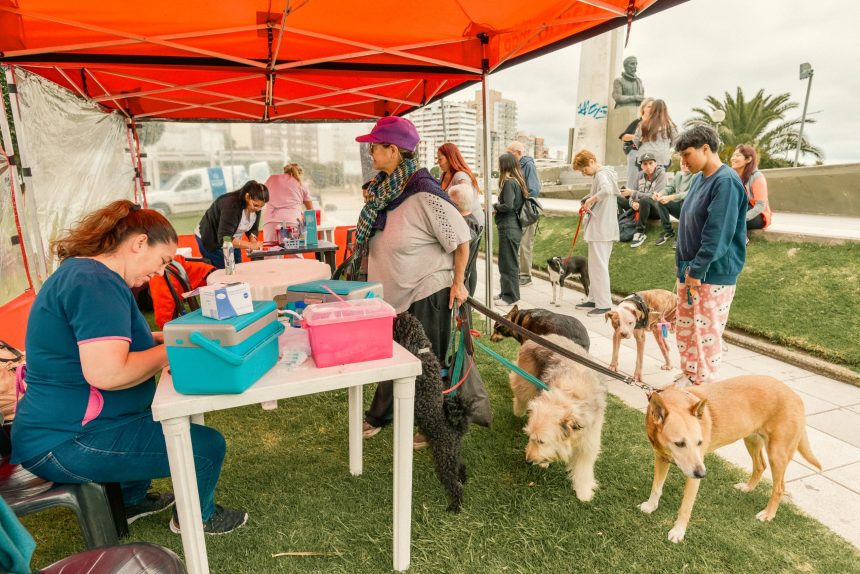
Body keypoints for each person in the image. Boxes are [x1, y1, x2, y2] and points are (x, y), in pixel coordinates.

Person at [11, 200, 247, 535]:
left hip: (66, 430)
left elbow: (119, 340)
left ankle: (130, 501)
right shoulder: (95, 283)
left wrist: (173, 336)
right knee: (205, 448)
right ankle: (197, 518)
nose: (161, 272)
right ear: (139, 243)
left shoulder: (88, 275)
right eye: (163, 261)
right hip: (66, 440)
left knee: (150, 418)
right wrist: (173, 349)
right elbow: (109, 373)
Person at [353, 117, 471, 442]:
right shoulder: (387, 189)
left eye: (374, 147)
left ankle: (431, 424)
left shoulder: (424, 192)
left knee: (425, 362)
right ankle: (380, 414)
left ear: (393, 150)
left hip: (427, 290)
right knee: (392, 354)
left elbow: (462, 239)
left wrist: (458, 283)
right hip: (394, 292)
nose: (370, 152)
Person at [674, 125, 747, 386]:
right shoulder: (699, 179)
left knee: (707, 334)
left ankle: (705, 388)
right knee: (686, 330)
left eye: (687, 154)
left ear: (706, 149)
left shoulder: (725, 181)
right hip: (690, 271)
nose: (684, 161)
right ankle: (691, 376)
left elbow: (717, 232)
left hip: (711, 274)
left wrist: (696, 270)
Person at [572, 150, 620, 316]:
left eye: (584, 169)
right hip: (603, 227)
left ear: (592, 161)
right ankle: (594, 298)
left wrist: (591, 200)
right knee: (595, 265)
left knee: (599, 266)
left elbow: (606, 190)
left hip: (601, 228)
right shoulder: (604, 173)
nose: (583, 173)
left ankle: (604, 304)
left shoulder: (601, 174)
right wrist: (590, 197)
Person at [195, 180, 268, 268]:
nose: (258, 209)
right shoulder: (231, 205)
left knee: (238, 268)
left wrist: (253, 241)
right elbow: (224, 238)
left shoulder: (256, 206)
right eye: (256, 205)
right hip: (212, 238)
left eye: (261, 206)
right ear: (247, 196)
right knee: (224, 271)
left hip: (233, 238)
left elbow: (253, 228)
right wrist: (250, 245)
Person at [494, 153, 528, 306]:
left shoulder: (509, 183)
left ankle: (510, 297)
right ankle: (505, 292)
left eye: (499, 164)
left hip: (508, 226)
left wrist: (494, 206)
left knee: (508, 263)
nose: (498, 166)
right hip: (513, 226)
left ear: (504, 165)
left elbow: (508, 206)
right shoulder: (517, 181)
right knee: (507, 262)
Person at [506, 141, 541, 286]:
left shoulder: (528, 165)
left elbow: (534, 189)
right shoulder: (517, 166)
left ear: (518, 153)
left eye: (509, 153)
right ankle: (518, 274)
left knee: (525, 244)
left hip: (525, 210)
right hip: (518, 210)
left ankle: (526, 276)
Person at [447, 182, 483, 297]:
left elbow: (459, 249)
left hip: (457, 279)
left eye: (448, 201)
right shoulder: (470, 220)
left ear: (455, 204)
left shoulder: (464, 225)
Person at [262, 162, 313, 243]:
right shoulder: (301, 184)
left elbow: (260, 196)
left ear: (285, 171)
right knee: (295, 252)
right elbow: (310, 210)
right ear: (300, 173)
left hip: (271, 221)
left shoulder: (272, 178)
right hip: (293, 221)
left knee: (270, 252)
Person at [625, 152, 668, 248]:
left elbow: (654, 196)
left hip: (657, 209)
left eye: (650, 163)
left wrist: (634, 195)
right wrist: (632, 203)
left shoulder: (662, 175)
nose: (648, 166)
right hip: (641, 206)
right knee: (619, 198)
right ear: (641, 166)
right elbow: (632, 193)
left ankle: (640, 232)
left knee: (645, 200)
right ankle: (620, 225)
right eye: (645, 164)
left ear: (655, 164)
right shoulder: (639, 175)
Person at [437, 142, 484, 228]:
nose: (438, 162)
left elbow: (465, 202)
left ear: (450, 158)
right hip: (459, 222)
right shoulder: (443, 175)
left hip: (471, 224)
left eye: (440, 159)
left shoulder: (460, 176)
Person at [653, 157, 698, 248]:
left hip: (692, 211)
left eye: (687, 162)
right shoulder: (678, 175)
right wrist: (660, 194)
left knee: (684, 202)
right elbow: (670, 188)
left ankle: (683, 236)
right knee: (661, 202)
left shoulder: (697, 175)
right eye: (682, 162)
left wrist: (672, 197)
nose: (684, 165)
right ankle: (668, 232)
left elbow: (690, 193)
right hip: (680, 209)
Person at [730, 144, 772, 235]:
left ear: (748, 159)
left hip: (758, 215)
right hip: (741, 211)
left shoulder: (757, 177)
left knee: (730, 222)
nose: (733, 158)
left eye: (737, 155)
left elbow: (760, 206)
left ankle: (742, 240)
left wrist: (740, 219)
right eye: (733, 155)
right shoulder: (732, 176)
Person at [620, 97, 655, 196]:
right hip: (635, 153)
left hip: (649, 156)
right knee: (633, 179)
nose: (651, 109)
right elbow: (624, 136)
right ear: (643, 108)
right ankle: (629, 201)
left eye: (653, 107)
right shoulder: (637, 122)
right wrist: (637, 137)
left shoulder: (655, 124)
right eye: (649, 106)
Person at [632, 99, 676, 169]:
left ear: (653, 109)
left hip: (644, 155)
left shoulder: (644, 123)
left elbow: (635, 139)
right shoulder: (669, 125)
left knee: (644, 179)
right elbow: (676, 139)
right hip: (662, 157)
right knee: (661, 179)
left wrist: (639, 147)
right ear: (665, 110)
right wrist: (666, 147)